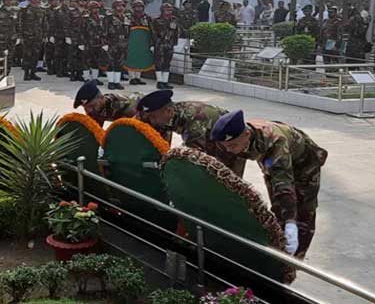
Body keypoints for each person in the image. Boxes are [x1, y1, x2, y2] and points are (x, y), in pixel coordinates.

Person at [211, 110, 327, 258]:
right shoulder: (233, 139)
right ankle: (276, 250)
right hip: (271, 163)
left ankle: (295, 259)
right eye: (226, 146)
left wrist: (291, 222)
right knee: (278, 208)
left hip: (304, 166)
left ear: (246, 134)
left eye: (232, 145)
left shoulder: (275, 141)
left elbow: (283, 184)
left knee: (303, 214)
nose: (229, 150)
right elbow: (227, 171)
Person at [136, 90, 243, 174]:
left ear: (168, 111)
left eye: (153, 117)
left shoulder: (194, 120)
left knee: (227, 180)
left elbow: (191, 157)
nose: (151, 121)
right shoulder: (167, 116)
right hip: (207, 139)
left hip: (231, 143)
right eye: (150, 117)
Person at [19, 0, 48, 81]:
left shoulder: (42, 10)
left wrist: (45, 35)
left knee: (36, 55)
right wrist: (20, 36)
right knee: (27, 55)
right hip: (27, 36)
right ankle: (26, 73)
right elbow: (20, 23)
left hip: (38, 36)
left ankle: (33, 73)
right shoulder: (24, 9)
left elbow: (44, 23)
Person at [151, 3, 179, 89]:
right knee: (159, 63)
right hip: (160, 44)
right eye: (167, 10)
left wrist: (175, 43)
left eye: (170, 10)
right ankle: (159, 82)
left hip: (169, 44)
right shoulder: (156, 20)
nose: (169, 12)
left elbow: (176, 32)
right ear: (162, 10)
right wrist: (153, 44)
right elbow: (153, 33)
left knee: (167, 63)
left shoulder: (174, 20)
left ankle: (165, 81)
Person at [104, 0, 130, 90]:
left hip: (123, 44)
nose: (121, 8)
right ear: (114, 8)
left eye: (122, 6)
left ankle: (117, 82)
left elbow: (129, 31)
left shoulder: (126, 18)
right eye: (118, 6)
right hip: (112, 43)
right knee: (111, 63)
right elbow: (104, 31)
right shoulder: (108, 18)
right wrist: (104, 43)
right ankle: (111, 82)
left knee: (119, 64)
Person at [81, 0, 105, 84]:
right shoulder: (85, 19)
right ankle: (87, 78)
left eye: (97, 8)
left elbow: (103, 31)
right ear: (90, 9)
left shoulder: (101, 18)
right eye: (94, 8)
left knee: (96, 61)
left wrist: (104, 42)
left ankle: (95, 78)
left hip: (98, 43)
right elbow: (81, 31)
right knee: (86, 61)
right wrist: (81, 43)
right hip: (88, 43)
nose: (96, 10)